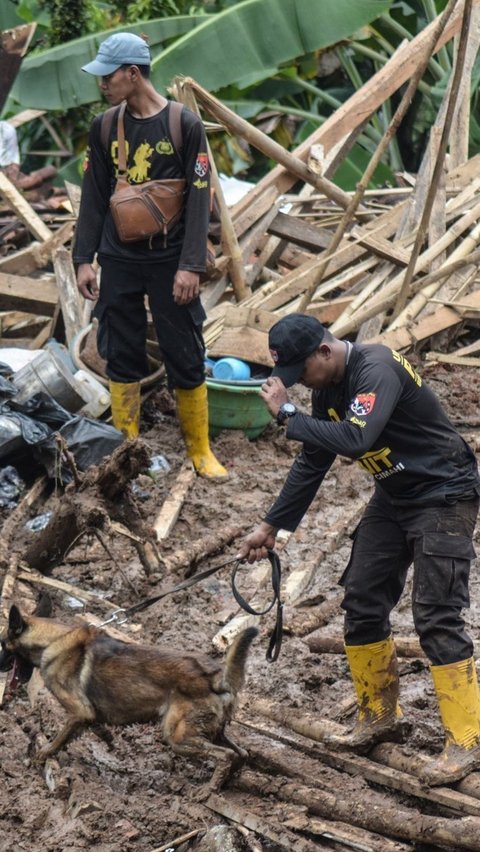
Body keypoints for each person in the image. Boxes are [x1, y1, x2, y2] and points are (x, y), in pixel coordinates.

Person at [239, 312, 480, 786]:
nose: (301, 385)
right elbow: (315, 459)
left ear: (324, 352)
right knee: (362, 598)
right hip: (395, 497)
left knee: (435, 614)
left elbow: (357, 439)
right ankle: (377, 715)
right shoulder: (327, 387)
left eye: (302, 373)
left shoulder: (376, 368)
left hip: (445, 493)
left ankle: (467, 738)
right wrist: (272, 525)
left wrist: (290, 415)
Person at [72, 32, 227, 479]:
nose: (102, 83)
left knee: (184, 351)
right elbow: (94, 198)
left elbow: (201, 198)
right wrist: (85, 258)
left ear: (133, 74)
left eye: (109, 76)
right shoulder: (104, 127)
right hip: (118, 258)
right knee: (120, 350)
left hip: (170, 259)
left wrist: (190, 265)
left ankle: (200, 450)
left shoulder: (184, 125)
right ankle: (127, 449)